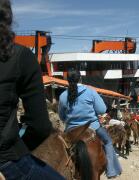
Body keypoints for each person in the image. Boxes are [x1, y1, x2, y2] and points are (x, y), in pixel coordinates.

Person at [0, 1, 64, 179]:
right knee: (104, 139)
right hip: (6, 159)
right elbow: (41, 127)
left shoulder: (65, 96)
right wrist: (18, 150)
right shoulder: (20, 56)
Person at [58, 69, 122, 179]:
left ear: (67, 80)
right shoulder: (90, 91)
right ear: (80, 78)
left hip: (71, 130)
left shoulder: (63, 96)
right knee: (107, 142)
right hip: (93, 127)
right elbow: (102, 109)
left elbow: (62, 116)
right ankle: (111, 171)